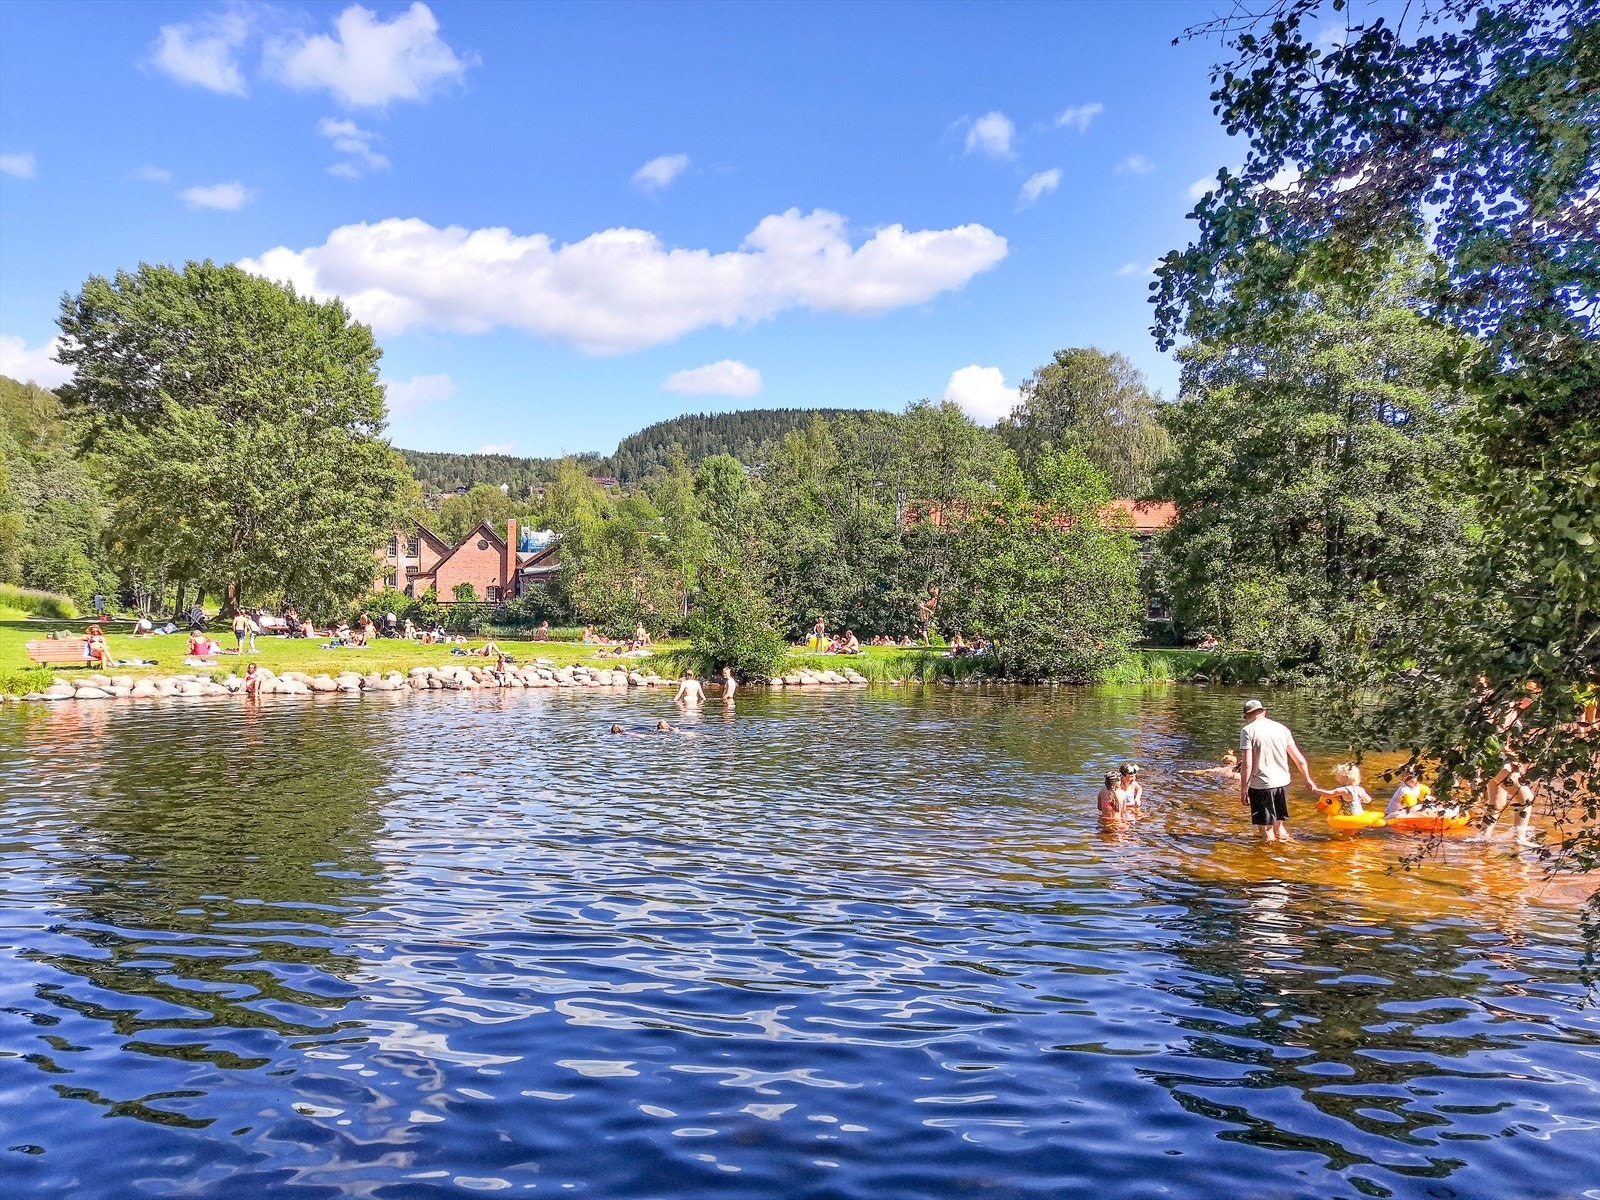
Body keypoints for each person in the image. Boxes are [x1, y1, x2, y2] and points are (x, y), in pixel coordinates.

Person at [1238, 698, 1318, 843]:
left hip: (1261, 785)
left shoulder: (1247, 731)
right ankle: (1288, 849)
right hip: (1283, 783)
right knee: (1279, 825)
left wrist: (1243, 789)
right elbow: (1299, 760)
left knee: (1266, 830)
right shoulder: (1282, 729)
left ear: (1246, 716)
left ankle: (1268, 856)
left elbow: (1247, 764)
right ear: (1264, 712)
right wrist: (1307, 779)